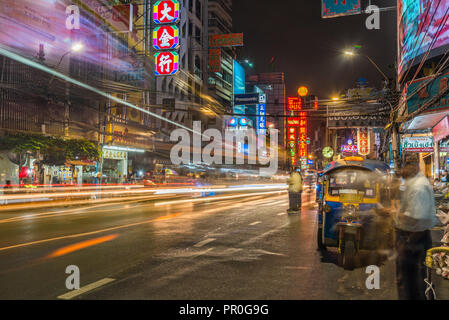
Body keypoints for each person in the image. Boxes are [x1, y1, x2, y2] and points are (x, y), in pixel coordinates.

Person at [394, 160, 438, 300]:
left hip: (415, 241)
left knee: (412, 285)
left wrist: (407, 244)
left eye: (403, 168)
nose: (401, 172)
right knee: (409, 282)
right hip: (412, 238)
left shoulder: (418, 187)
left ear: (411, 167)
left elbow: (418, 220)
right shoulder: (412, 183)